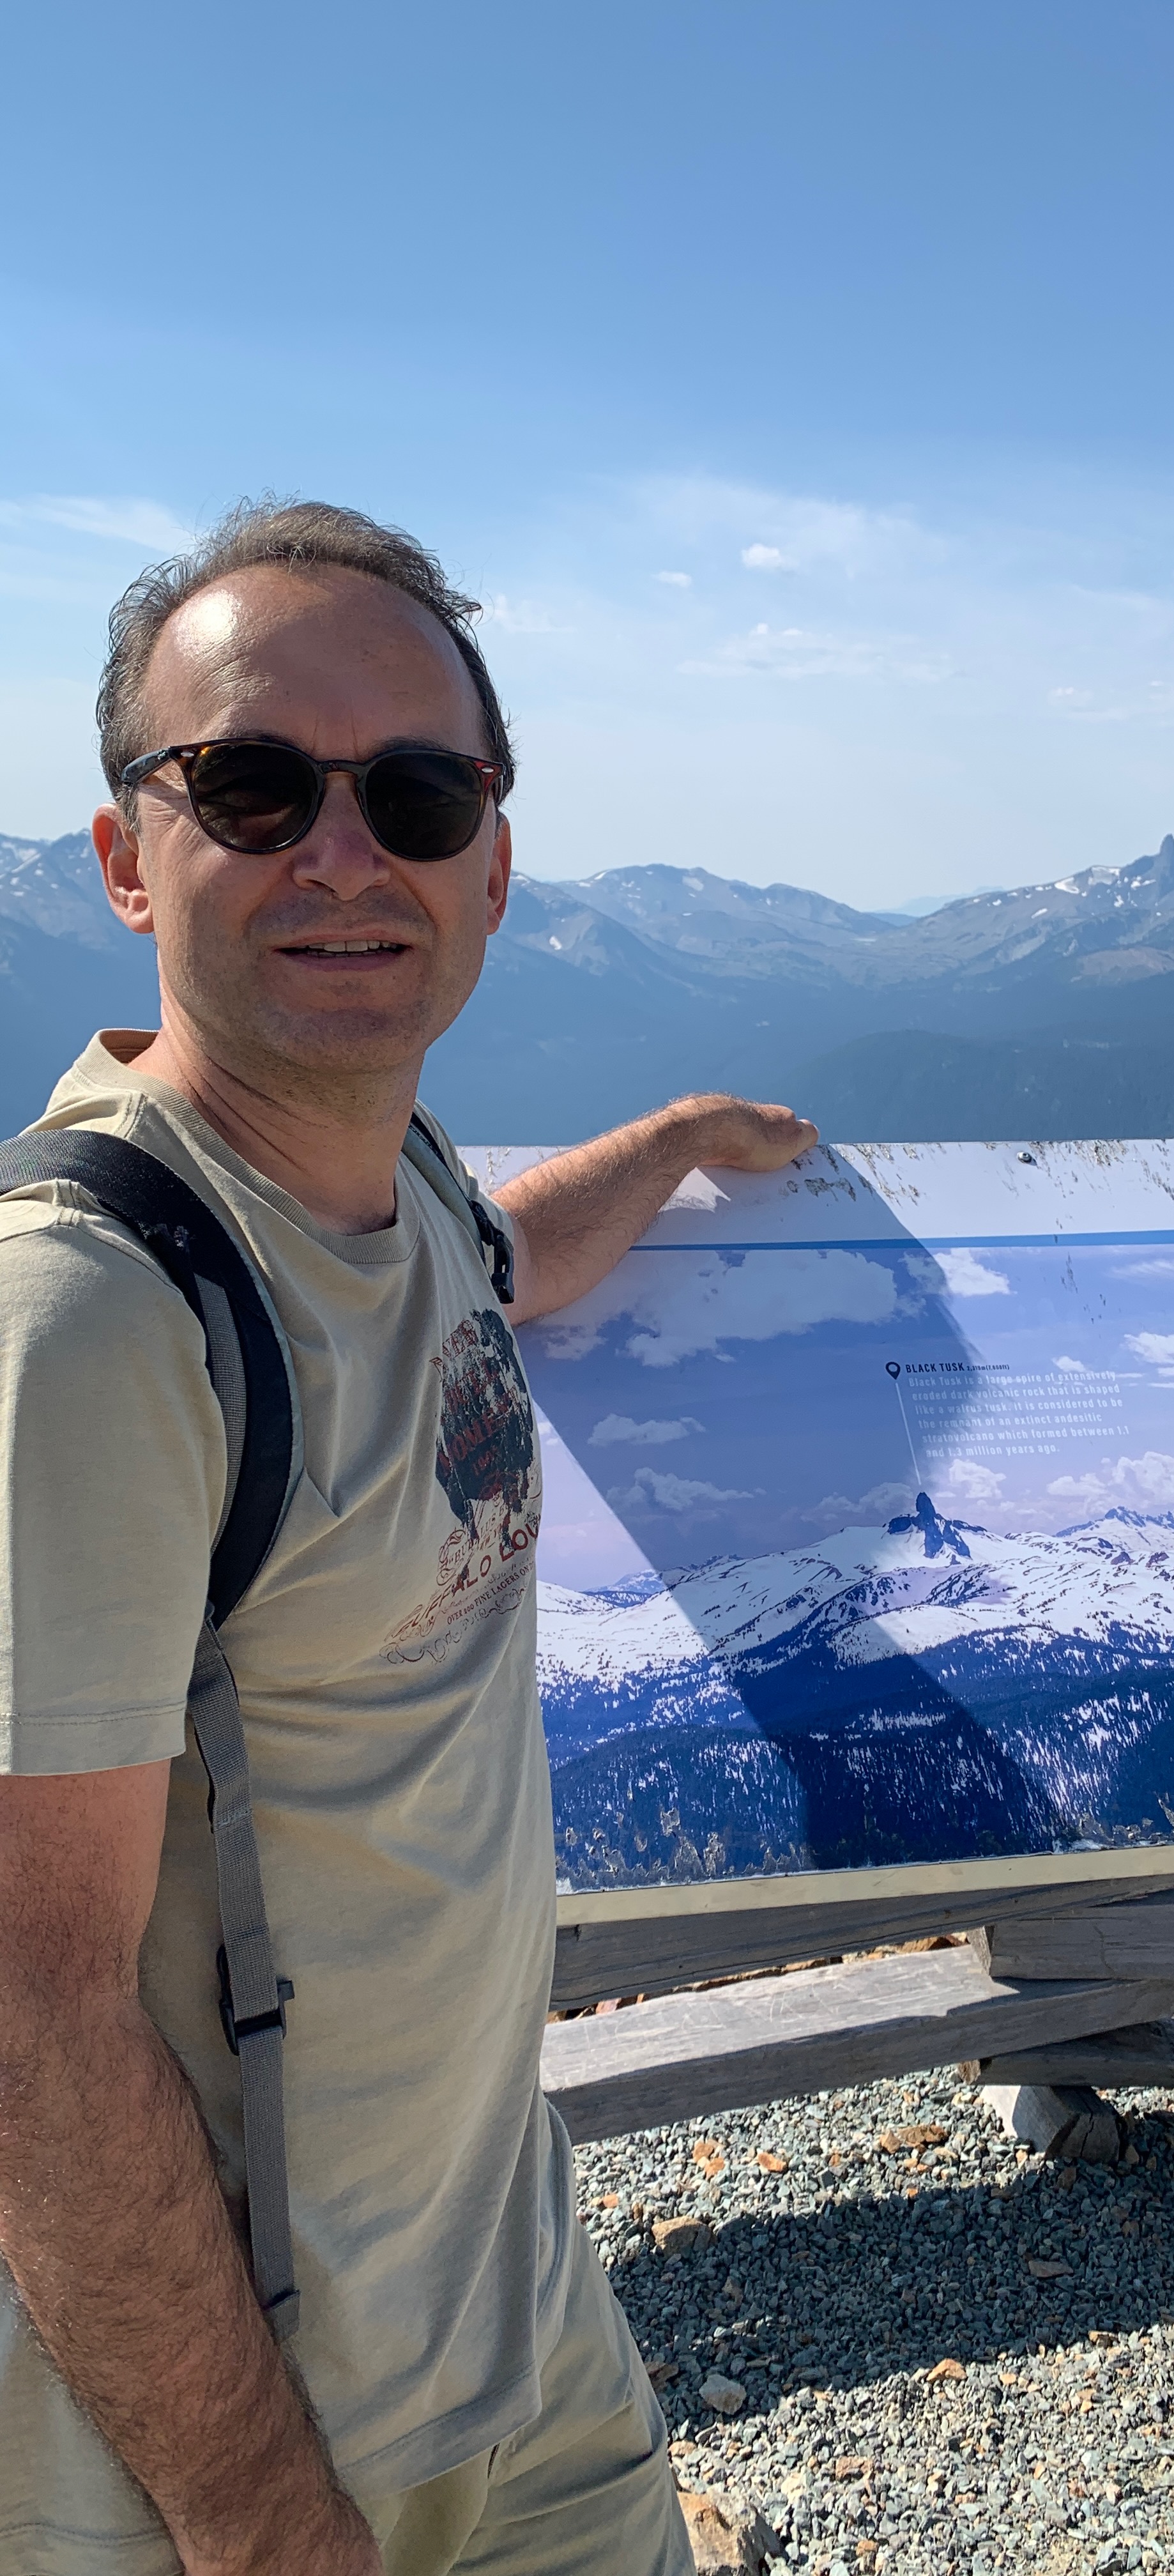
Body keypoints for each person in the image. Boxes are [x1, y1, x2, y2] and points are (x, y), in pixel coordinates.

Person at [0, 500, 818, 2576]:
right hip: (237, 2446)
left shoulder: (397, 1191)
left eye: (418, 792)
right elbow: (27, 2009)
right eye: (256, 786)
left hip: (514, 2327)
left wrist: (675, 1146)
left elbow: (487, 1276)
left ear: (493, 863)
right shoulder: (88, 1315)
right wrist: (268, 2525)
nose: (345, 855)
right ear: (123, 859)